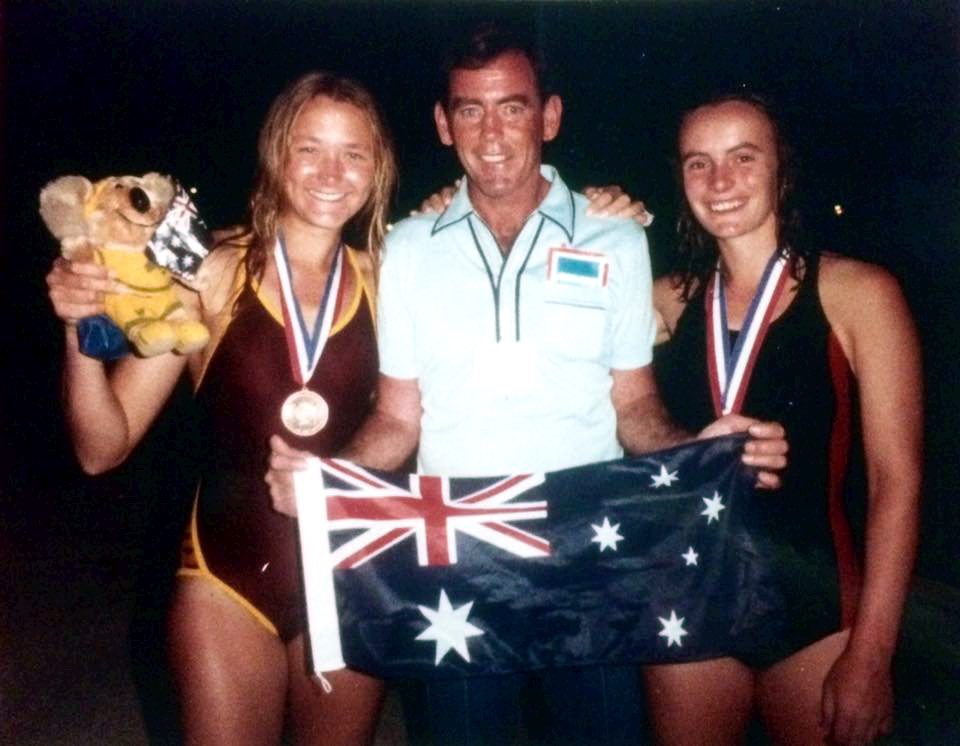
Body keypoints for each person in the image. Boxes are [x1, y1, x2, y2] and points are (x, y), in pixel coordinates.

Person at [268, 23, 788, 745]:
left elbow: (633, 405)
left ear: (549, 116)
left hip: (589, 553)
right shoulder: (407, 249)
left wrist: (697, 450)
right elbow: (397, 418)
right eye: (470, 110)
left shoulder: (617, 239)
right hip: (461, 557)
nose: (492, 133)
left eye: (512, 107)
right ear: (444, 124)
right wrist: (331, 483)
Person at [45, 71, 397, 745]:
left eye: (355, 152)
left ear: (378, 167)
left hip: (352, 577)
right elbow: (102, 448)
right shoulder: (208, 270)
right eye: (310, 148)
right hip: (224, 584)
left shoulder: (392, 278)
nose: (332, 171)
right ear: (276, 154)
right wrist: (80, 332)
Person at [648, 93, 921, 746]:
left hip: (818, 612)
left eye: (744, 157)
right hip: (690, 605)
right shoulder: (658, 300)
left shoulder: (859, 293)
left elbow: (897, 483)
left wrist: (872, 655)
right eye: (698, 163)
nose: (720, 182)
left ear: (781, 169)